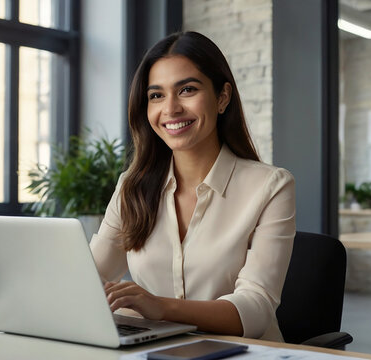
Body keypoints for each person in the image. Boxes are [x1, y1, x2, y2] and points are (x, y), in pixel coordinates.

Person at [90, 31, 295, 342]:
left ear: (222, 97)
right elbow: (90, 278)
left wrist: (159, 307)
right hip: (155, 351)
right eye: (156, 95)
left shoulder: (271, 187)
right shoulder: (133, 186)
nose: (170, 109)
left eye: (187, 90)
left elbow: (255, 309)